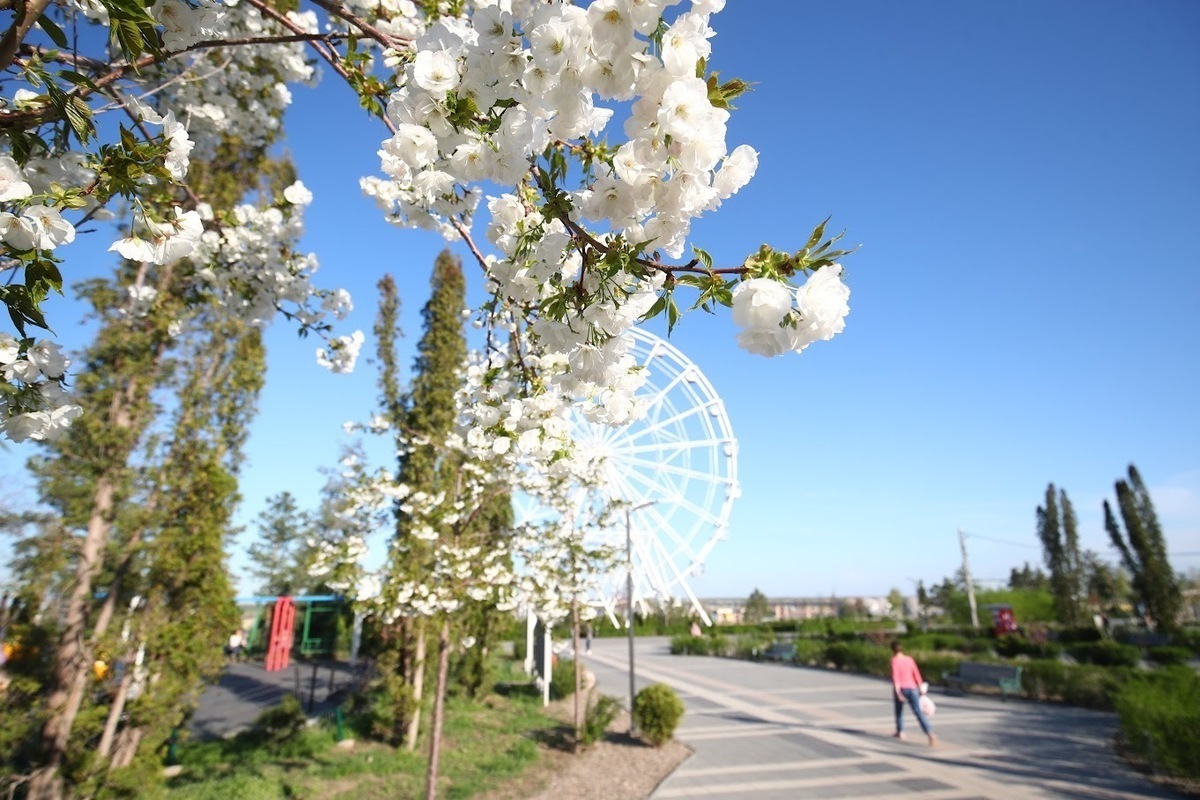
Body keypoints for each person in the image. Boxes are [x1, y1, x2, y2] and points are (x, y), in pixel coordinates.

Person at [890, 640, 936, 746]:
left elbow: (895, 677)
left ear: (892, 650)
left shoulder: (894, 660)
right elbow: (916, 673)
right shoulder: (909, 659)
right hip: (913, 688)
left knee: (899, 711)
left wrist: (898, 692)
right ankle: (930, 733)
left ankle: (900, 731)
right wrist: (920, 687)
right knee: (918, 712)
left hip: (901, 688)